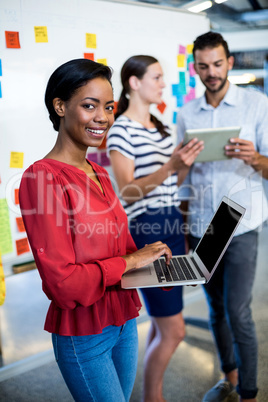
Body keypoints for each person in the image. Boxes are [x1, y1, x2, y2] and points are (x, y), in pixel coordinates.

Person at [19, 58, 174, 402]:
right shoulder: (42, 178)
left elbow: (122, 251)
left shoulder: (100, 173)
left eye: (108, 107)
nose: (102, 117)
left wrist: (165, 270)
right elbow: (63, 285)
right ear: (60, 106)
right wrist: (132, 262)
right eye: (89, 106)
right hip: (84, 332)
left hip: (123, 322)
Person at [177, 31, 268, 402]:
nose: (211, 72)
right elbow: (184, 178)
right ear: (195, 67)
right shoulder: (186, 113)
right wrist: (184, 226)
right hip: (203, 222)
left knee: (238, 311)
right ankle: (228, 375)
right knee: (215, 308)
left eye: (217, 64)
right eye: (203, 66)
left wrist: (255, 158)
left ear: (229, 62)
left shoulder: (257, 105)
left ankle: (248, 393)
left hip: (240, 219)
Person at [106, 55, 203, 402]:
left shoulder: (161, 127)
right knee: (175, 330)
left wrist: (185, 164)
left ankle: (151, 392)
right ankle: (153, 398)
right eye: (157, 77)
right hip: (147, 231)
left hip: (172, 223)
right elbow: (127, 191)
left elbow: (173, 183)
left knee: (163, 324)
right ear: (134, 82)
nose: (163, 84)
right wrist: (170, 167)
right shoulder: (120, 130)